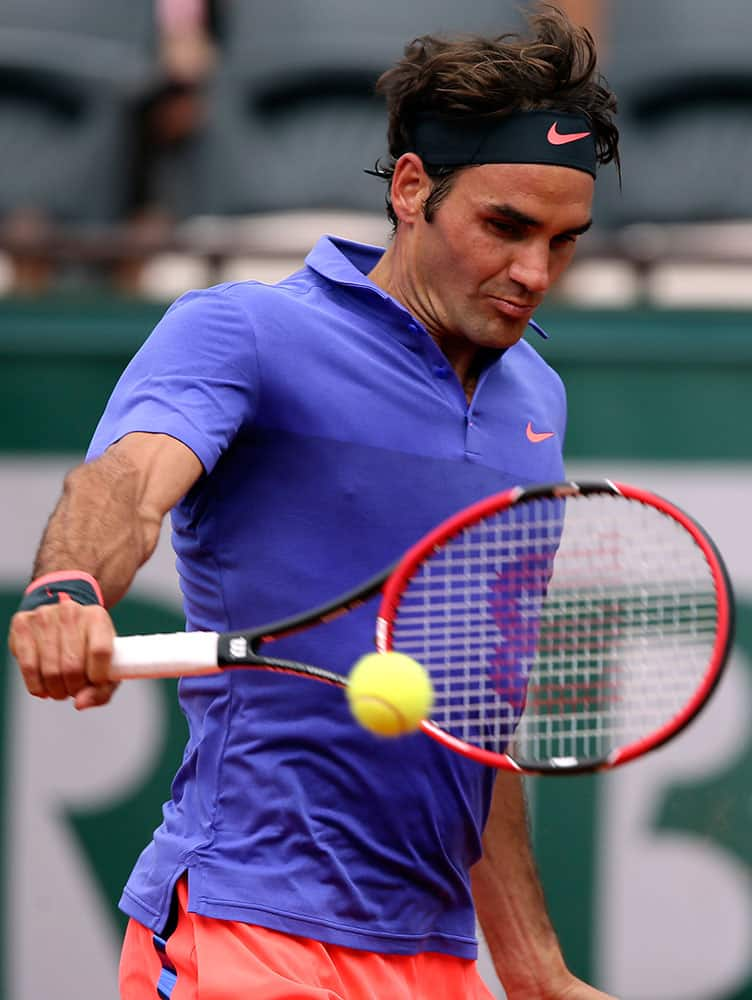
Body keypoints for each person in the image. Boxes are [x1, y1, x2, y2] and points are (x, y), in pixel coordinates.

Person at [9, 7, 621, 999]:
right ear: (413, 190)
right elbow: (125, 481)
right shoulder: (243, 332)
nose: (531, 274)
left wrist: (532, 966)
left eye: (561, 241)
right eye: (504, 227)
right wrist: (69, 583)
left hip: (433, 951)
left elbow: (473, 709)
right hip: (246, 928)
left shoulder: (535, 400)